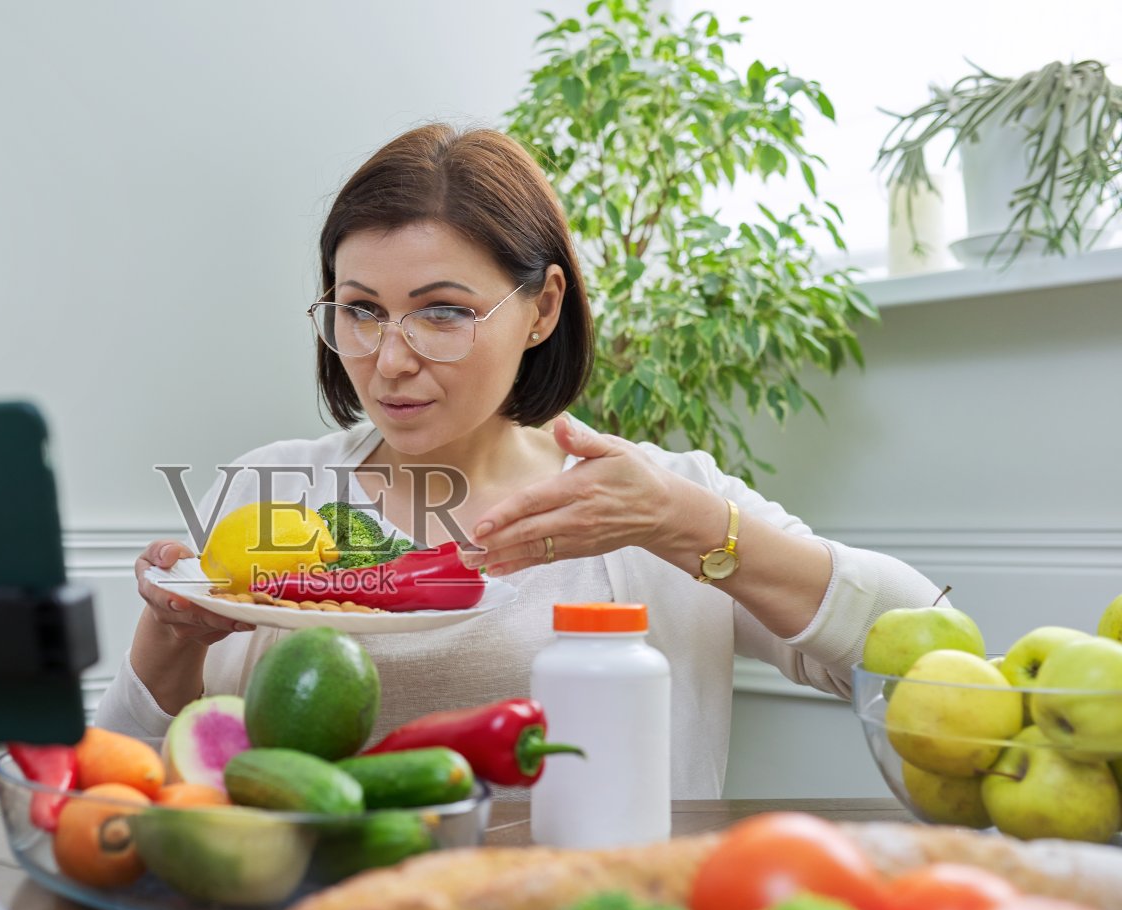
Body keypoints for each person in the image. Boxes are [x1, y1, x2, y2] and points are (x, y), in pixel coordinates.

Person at [93, 123, 942, 799]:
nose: (389, 360)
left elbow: (924, 648)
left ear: (542, 308)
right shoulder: (271, 488)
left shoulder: (652, 499)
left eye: (443, 312)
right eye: (361, 310)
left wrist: (683, 523)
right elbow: (120, 784)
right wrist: (171, 637)